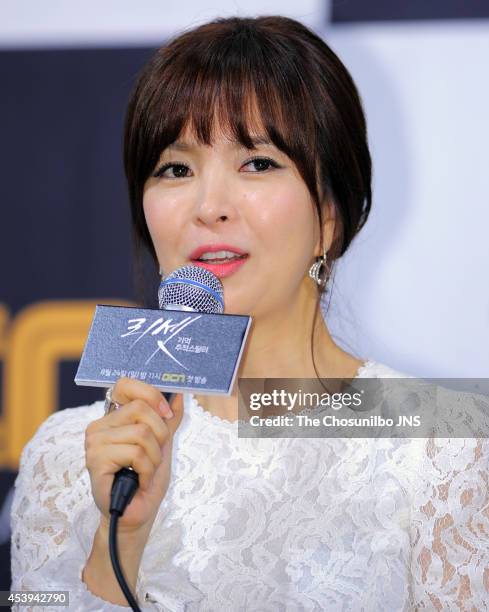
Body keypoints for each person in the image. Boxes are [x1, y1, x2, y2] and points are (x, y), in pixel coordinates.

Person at [10, 16, 488, 611]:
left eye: (258, 163)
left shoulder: (447, 448)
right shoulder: (68, 459)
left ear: (331, 216)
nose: (209, 207)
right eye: (175, 169)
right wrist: (122, 540)